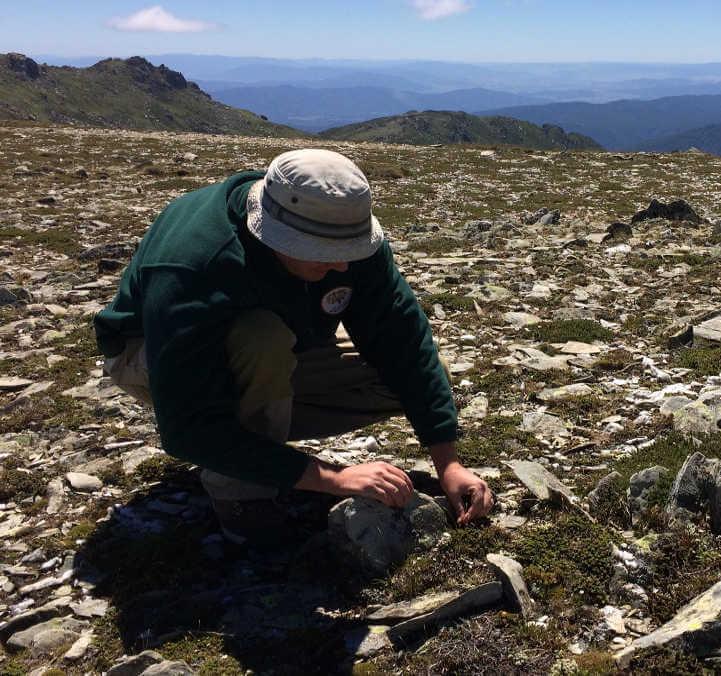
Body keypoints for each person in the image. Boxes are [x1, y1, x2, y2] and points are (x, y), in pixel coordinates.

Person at [94, 148, 494, 545]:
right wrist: (333, 478)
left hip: (284, 338)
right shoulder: (196, 263)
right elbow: (185, 427)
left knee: (407, 378)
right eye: (323, 255)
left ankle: (256, 436)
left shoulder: (338, 224)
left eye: (348, 253)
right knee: (261, 338)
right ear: (270, 234)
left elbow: (403, 339)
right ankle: (242, 492)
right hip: (148, 352)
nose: (340, 266)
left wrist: (448, 462)